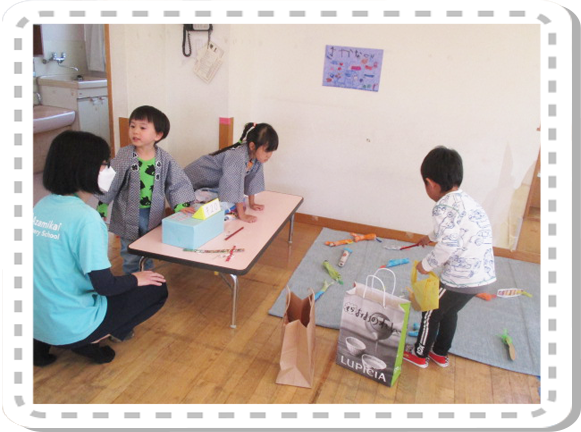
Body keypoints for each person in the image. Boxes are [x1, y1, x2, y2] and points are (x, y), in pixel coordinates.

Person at [33, 131, 169, 366]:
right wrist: (136, 278)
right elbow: (105, 286)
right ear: (86, 169)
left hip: (33, 318)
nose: (110, 170)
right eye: (105, 164)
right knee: (157, 287)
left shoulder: (41, 206)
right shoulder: (86, 219)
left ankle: (40, 344)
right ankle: (91, 339)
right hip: (71, 325)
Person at [403, 146, 497, 369]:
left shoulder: (441, 208)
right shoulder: (466, 201)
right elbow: (454, 229)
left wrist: (426, 265)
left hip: (459, 277)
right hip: (481, 276)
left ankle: (419, 354)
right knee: (449, 312)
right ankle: (439, 352)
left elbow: (449, 244)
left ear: (431, 184)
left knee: (430, 310)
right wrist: (430, 237)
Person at [96, 105, 196, 274]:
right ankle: (133, 278)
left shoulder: (164, 158)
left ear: (158, 135)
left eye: (142, 128)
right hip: (128, 213)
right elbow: (111, 180)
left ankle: (147, 276)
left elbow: (176, 182)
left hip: (153, 213)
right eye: (132, 126)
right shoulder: (125, 155)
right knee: (130, 251)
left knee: (149, 247)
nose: (135, 131)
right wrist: (102, 204)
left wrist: (180, 205)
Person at [183, 122, 278, 223]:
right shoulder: (237, 156)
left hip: (208, 185)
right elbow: (233, 185)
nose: (269, 155)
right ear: (252, 146)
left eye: (271, 151)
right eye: (266, 151)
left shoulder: (256, 157)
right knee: (196, 214)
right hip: (187, 184)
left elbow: (253, 180)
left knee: (226, 204)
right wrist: (242, 215)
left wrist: (252, 203)